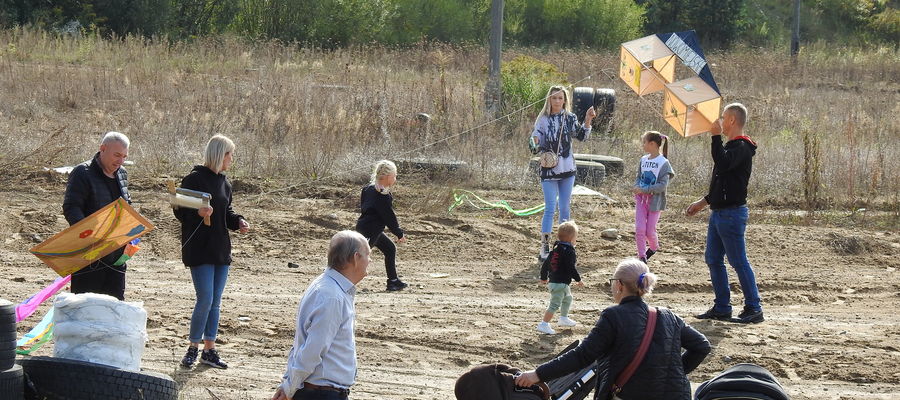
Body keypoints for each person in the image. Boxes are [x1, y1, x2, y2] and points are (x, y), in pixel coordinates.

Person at [515, 259, 711, 399]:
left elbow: (582, 356)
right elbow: (702, 346)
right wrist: (672, 373)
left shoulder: (613, 316)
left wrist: (537, 374)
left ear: (619, 285)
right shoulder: (669, 316)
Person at [176, 135, 250, 369]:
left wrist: (238, 221)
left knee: (215, 302)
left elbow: (226, 212)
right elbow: (179, 212)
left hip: (220, 249)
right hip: (199, 249)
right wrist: (197, 213)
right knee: (205, 298)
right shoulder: (193, 179)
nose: (231, 159)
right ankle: (193, 347)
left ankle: (210, 350)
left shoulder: (224, 183)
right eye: (229, 154)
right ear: (219, 154)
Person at [686, 103, 764, 324]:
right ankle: (722, 307)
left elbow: (721, 164)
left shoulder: (741, 147)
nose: (720, 121)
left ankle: (753, 308)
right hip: (719, 213)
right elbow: (723, 182)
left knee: (738, 261)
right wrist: (704, 201)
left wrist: (715, 137)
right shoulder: (732, 148)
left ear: (731, 120)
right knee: (713, 259)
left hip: (731, 215)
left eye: (723, 117)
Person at [271, 230, 371, 400]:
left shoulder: (328, 287)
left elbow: (302, 344)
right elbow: (312, 349)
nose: (370, 261)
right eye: (368, 255)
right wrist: (289, 387)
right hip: (321, 393)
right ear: (355, 258)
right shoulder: (332, 296)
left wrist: (288, 383)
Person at [529, 85, 597, 261]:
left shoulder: (570, 118)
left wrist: (588, 119)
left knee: (565, 208)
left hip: (568, 169)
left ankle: (564, 246)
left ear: (565, 100)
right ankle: (544, 246)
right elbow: (534, 146)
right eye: (554, 98)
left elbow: (582, 136)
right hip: (549, 169)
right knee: (550, 208)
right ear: (549, 100)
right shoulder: (542, 120)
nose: (557, 101)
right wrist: (534, 143)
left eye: (560, 98)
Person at [62, 131, 133, 300]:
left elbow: (126, 205)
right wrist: (89, 235)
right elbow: (72, 207)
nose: (120, 161)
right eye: (117, 155)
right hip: (89, 256)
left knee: (114, 305)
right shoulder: (82, 172)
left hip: (116, 255)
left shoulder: (122, 173)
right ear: (102, 149)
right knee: (86, 306)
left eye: (124, 156)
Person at [355, 160, 408, 292]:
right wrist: (398, 232)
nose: (395, 178)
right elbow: (388, 216)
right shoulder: (383, 196)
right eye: (394, 176)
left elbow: (365, 207)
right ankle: (343, 282)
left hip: (370, 228)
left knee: (390, 249)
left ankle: (393, 281)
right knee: (358, 258)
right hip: (370, 231)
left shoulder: (368, 189)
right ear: (387, 177)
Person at [536, 221, 584, 335]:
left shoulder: (555, 250)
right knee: (554, 305)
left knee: (568, 298)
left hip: (556, 282)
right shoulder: (570, 252)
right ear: (572, 239)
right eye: (575, 237)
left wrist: (543, 277)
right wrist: (578, 279)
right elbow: (570, 267)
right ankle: (544, 324)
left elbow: (545, 264)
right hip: (560, 283)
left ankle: (563, 318)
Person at [633, 131, 674, 263]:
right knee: (640, 229)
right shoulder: (643, 160)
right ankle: (642, 257)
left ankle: (654, 247)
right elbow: (639, 177)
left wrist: (645, 189)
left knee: (650, 231)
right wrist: (636, 187)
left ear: (652, 144)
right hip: (641, 200)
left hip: (655, 202)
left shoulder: (664, 163)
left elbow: (663, 185)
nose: (643, 145)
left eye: (644, 142)